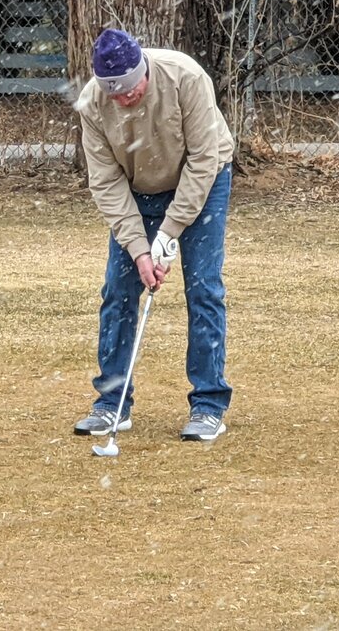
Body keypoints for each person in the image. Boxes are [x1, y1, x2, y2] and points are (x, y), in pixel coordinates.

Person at [73, 27, 235, 443]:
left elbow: (204, 159)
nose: (125, 100)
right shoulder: (93, 102)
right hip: (136, 188)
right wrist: (140, 250)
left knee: (203, 288)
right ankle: (112, 403)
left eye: (131, 90)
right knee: (118, 291)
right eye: (116, 94)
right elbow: (106, 182)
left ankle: (209, 405)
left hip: (203, 179)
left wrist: (169, 232)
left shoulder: (186, 77)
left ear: (143, 70)